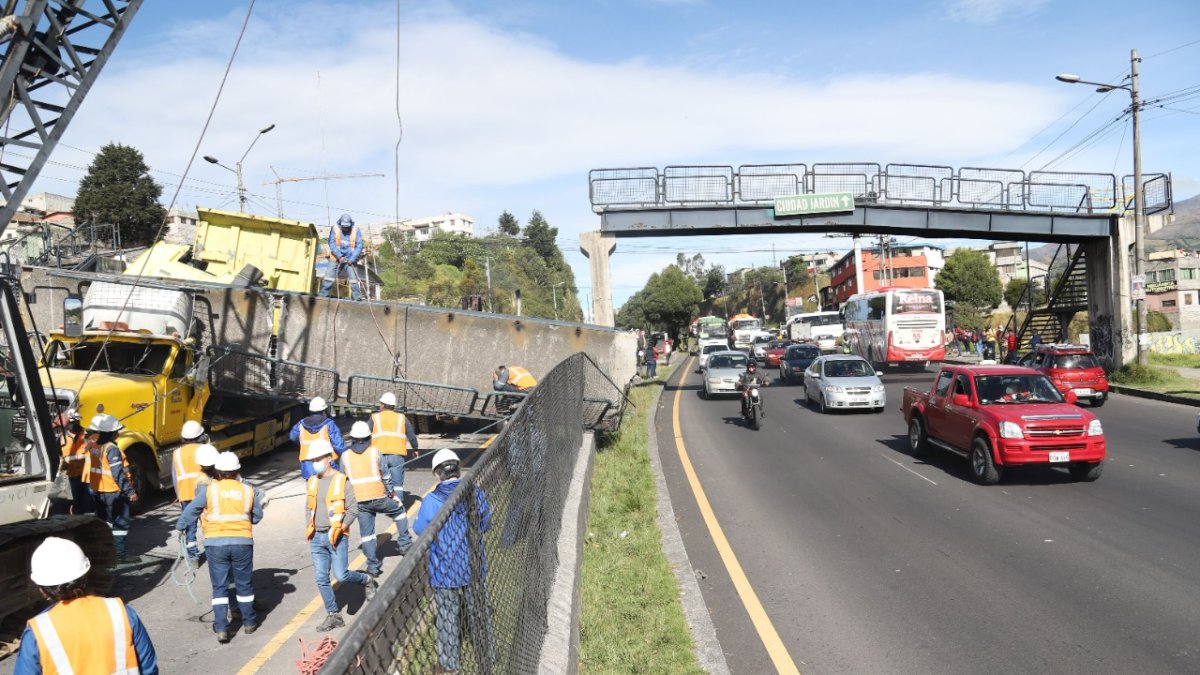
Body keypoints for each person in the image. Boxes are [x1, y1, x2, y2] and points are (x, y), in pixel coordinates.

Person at [15, 537, 159, 674]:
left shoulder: (39, 631)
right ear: (85, 577)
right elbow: (148, 668)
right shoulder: (122, 613)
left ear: (42, 590)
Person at [413, 449, 495, 674]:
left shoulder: (431, 501)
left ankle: (450, 664)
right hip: (472, 564)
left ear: (437, 474)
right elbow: (485, 523)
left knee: (447, 614)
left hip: (444, 568)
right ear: (458, 469)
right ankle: (489, 653)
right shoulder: (474, 493)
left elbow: (420, 529)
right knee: (479, 609)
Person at [176, 452, 265, 643]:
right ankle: (249, 623)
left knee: (220, 587)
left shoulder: (210, 490)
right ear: (237, 470)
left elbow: (191, 510)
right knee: (244, 585)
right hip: (242, 542)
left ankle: (222, 629)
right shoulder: (247, 490)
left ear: (218, 471)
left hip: (215, 544)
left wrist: (181, 527)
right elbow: (257, 517)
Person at [304, 440, 377, 631]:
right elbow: (308, 507)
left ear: (329, 458)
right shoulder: (312, 481)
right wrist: (309, 527)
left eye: (318, 458)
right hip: (317, 537)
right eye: (313, 459)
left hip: (336, 537)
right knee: (321, 578)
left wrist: (340, 528)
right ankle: (333, 615)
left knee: (342, 575)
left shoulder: (341, 480)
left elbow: (353, 509)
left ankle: (367, 580)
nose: (315, 462)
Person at [342, 421, 412, 577]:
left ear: (352, 438)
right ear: (368, 437)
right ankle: (405, 543)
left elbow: (341, 481)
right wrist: (391, 493)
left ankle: (373, 567)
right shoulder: (375, 452)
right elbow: (386, 476)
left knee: (367, 535)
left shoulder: (345, 456)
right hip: (379, 497)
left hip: (358, 502)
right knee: (399, 511)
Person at [86, 413, 138, 560]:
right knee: (120, 523)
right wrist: (130, 491)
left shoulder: (94, 444)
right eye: (116, 431)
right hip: (113, 491)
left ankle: (106, 551)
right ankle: (120, 555)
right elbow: (117, 474)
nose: (118, 433)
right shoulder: (111, 448)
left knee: (106, 522)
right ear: (110, 432)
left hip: (98, 489)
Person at [369, 392, 418, 505]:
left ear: (384, 405)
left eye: (381, 403)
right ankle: (398, 508)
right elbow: (411, 435)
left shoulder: (375, 417)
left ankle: (382, 504)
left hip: (379, 456)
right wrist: (415, 448)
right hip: (397, 456)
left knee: (380, 481)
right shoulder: (402, 418)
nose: (379, 406)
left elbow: (364, 433)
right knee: (397, 484)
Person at [172, 420, 208, 567]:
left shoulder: (177, 453)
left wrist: (178, 493)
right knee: (209, 525)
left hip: (185, 494)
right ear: (200, 435)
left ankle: (193, 558)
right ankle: (214, 552)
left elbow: (175, 477)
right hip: (205, 493)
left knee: (190, 527)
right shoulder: (205, 450)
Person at [290, 396, 345, 479]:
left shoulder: (301, 424)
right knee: (328, 487)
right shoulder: (329, 424)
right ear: (324, 410)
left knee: (312, 488)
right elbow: (338, 445)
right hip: (326, 461)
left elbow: (292, 437)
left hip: (307, 462)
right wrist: (346, 456)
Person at [319, 213, 365, 301]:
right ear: (340, 224)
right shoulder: (335, 228)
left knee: (353, 279)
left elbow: (359, 246)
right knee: (329, 276)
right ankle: (324, 295)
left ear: (351, 224)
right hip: (336, 257)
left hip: (350, 259)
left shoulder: (355, 230)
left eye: (347, 227)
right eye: (344, 227)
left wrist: (352, 259)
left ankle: (357, 297)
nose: (345, 228)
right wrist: (339, 256)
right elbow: (331, 243)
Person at [56, 410, 91, 515]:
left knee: (87, 502)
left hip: (85, 475)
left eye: (77, 421)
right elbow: (58, 453)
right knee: (75, 500)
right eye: (72, 421)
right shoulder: (62, 437)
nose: (75, 424)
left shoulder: (86, 435)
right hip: (71, 475)